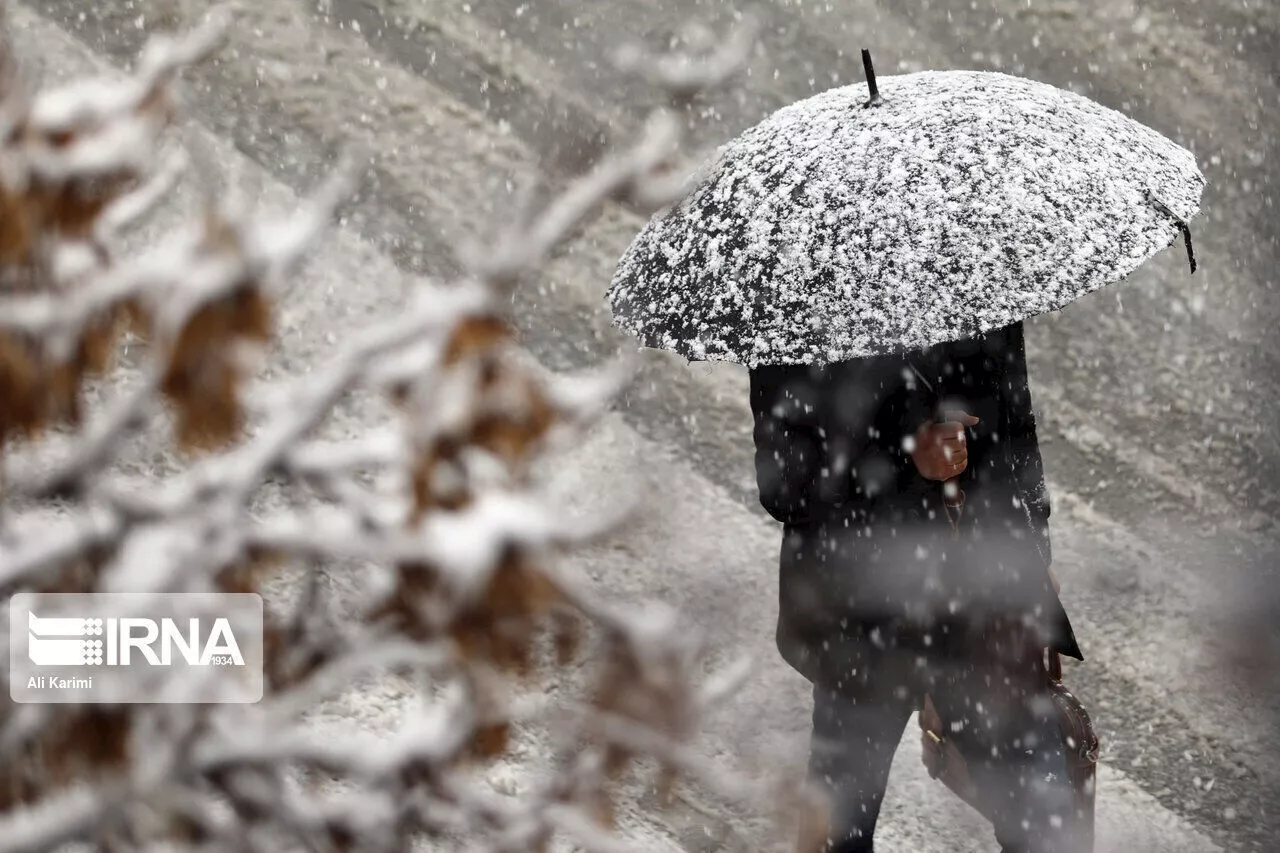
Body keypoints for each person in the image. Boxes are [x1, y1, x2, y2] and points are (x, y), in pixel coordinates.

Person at [749, 320, 1085, 853]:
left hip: (985, 601)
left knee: (1046, 827)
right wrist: (907, 459)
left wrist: (1036, 544)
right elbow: (785, 481)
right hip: (862, 616)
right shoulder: (802, 295)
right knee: (840, 833)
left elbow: (1015, 420)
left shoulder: (974, 259)